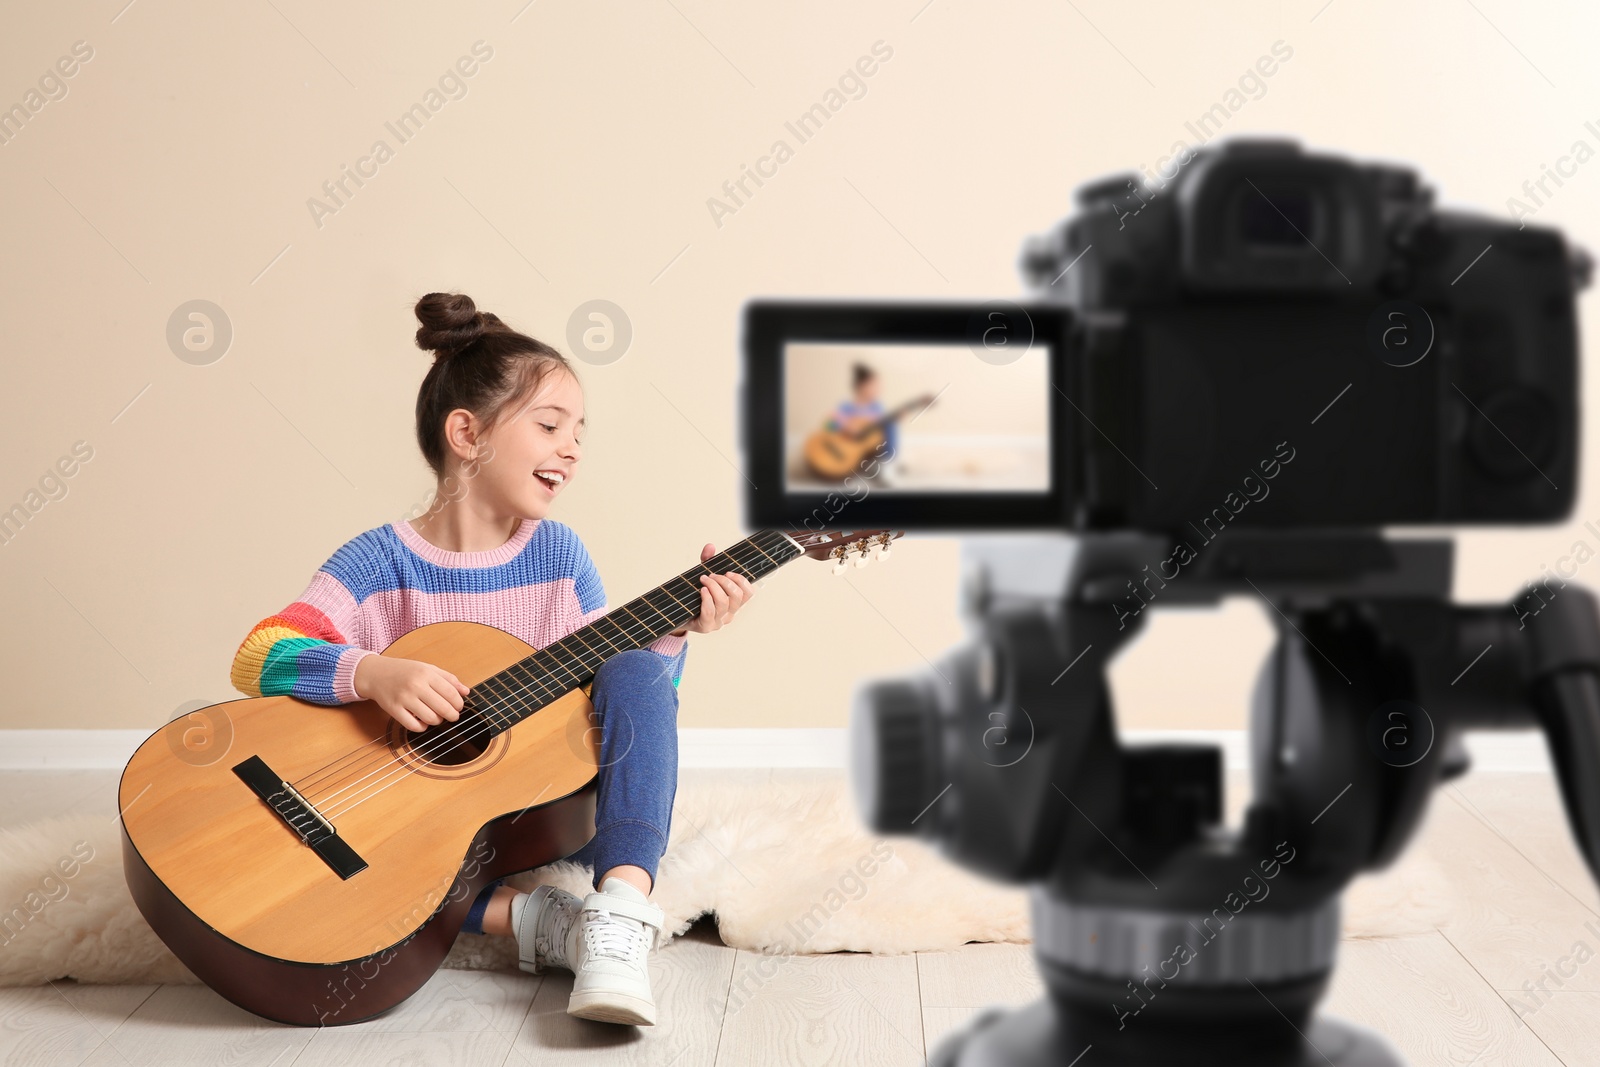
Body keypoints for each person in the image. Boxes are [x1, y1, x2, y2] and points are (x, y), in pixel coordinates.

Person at [227, 291, 754, 1028]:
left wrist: (676, 633)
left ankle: (616, 919)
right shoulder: (378, 560)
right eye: (549, 425)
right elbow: (258, 655)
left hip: (548, 816)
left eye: (580, 432)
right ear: (467, 434)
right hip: (430, 833)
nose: (572, 448)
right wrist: (372, 673)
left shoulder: (560, 556)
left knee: (632, 666)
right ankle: (538, 921)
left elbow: (628, 705)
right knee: (364, 881)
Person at [828, 363, 902, 484]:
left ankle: (886, 464)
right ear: (861, 386)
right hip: (847, 450)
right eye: (874, 385)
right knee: (832, 424)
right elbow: (830, 425)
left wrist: (893, 418)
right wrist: (845, 425)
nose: (879, 388)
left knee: (890, 425)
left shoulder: (877, 407)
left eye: (879, 385)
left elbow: (880, 427)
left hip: (870, 452)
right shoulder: (847, 406)